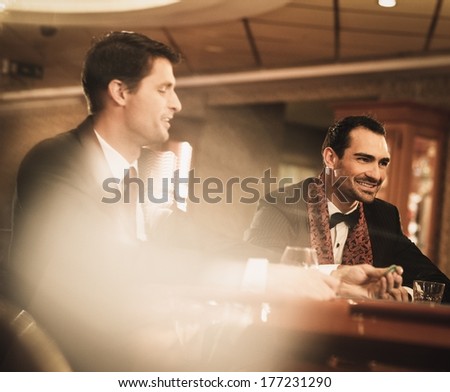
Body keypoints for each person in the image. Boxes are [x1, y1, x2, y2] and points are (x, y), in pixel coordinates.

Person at [5, 32, 407, 371]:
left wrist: (328, 276)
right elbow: (109, 264)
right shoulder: (57, 160)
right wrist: (263, 282)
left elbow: (208, 245)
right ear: (120, 92)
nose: (176, 104)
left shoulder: (140, 178)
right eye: (164, 89)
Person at [245, 115, 450, 303]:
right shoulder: (281, 205)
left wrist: (406, 294)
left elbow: (439, 284)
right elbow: (256, 272)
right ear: (330, 158)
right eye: (364, 159)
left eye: (383, 163)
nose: (376, 175)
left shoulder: (385, 216)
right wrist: (335, 273)